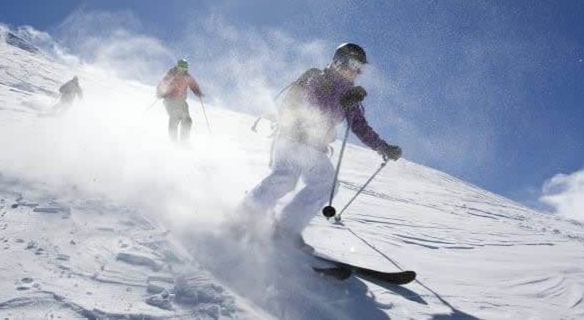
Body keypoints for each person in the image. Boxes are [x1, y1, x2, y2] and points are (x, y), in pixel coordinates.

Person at [239, 43, 402, 245]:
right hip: (292, 138)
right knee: (286, 178)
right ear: (337, 61)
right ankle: (244, 217)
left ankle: (286, 229)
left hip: (313, 148)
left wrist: (382, 147)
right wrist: (343, 101)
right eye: (352, 64)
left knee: (327, 183)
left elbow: (360, 127)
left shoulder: (350, 97)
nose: (355, 71)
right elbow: (314, 108)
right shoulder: (318, 79)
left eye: (360, 68)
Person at [156, 59, 203, 143]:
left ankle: (184, 141)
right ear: (177, 67)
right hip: (170, 100)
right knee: (175, 117)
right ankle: (173, 140)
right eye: (180, 67)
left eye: (184, 68)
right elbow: (163, 83)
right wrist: (160, 92)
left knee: (187, 120)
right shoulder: (172, 74)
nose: (182, 70)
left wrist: (197, 91)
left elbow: (193, 84)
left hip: (181, 101)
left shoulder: (187, 77)